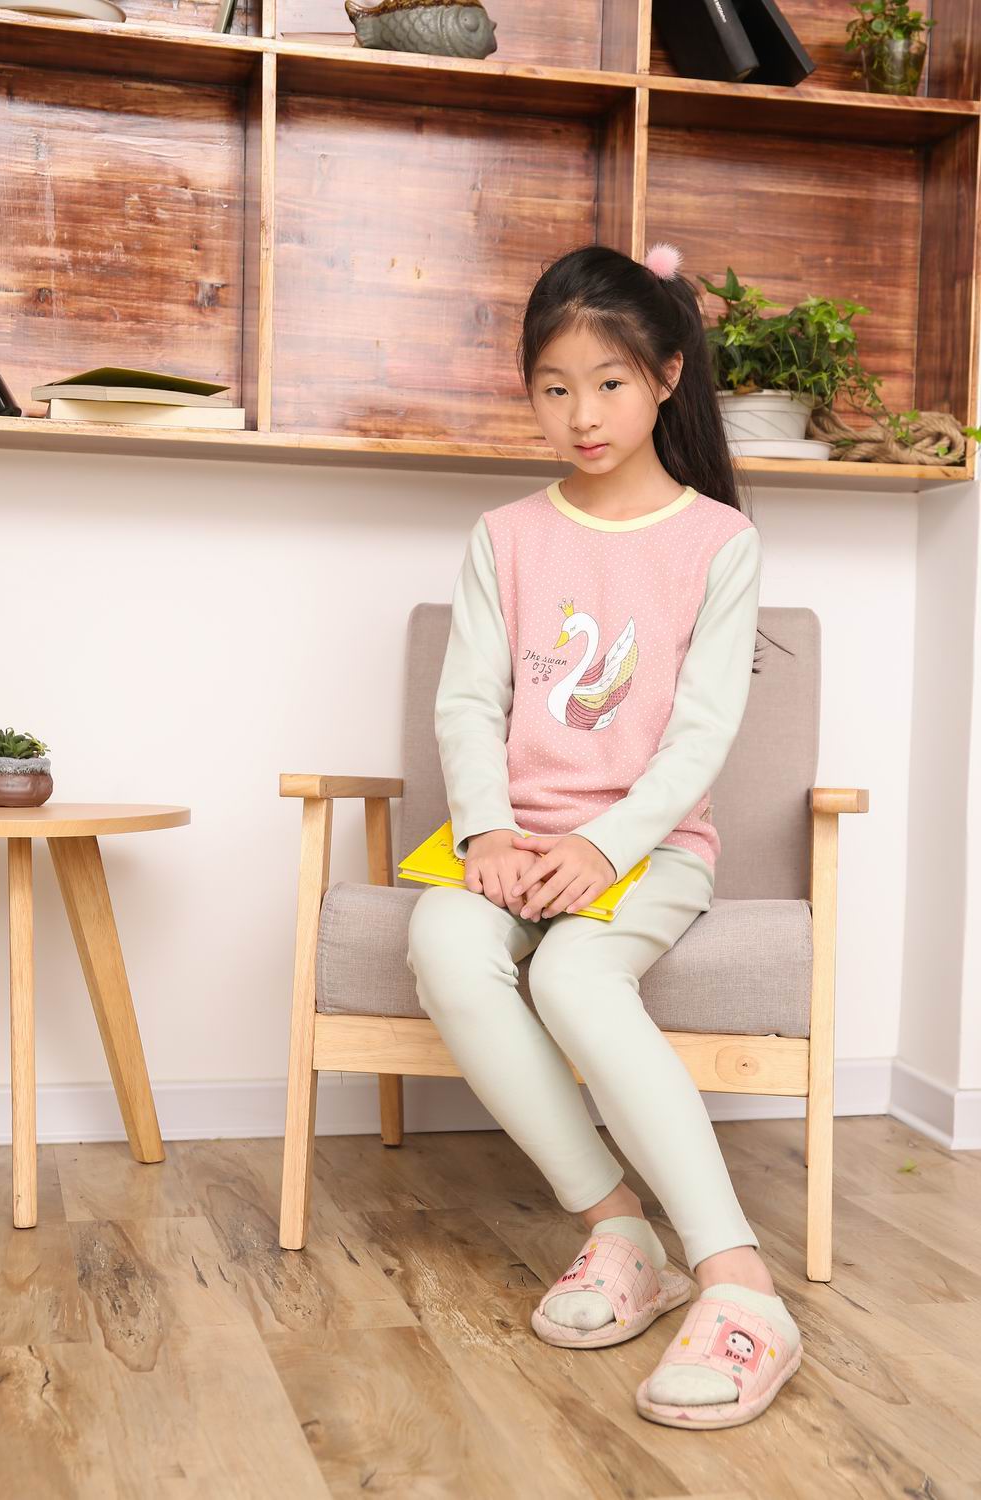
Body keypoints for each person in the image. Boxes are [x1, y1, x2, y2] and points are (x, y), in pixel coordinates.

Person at [405, 241, 803, 1430]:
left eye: (609, 382)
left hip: (650, 846)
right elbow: (466, 704)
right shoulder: (505, 535)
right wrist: (486, 832)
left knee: (575, 976)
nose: (581, 414)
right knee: (442, 944)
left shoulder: (716, 542)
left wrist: (605, 847)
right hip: (510, 840)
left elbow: (700, 733)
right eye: (554, 386)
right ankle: (619, 1232)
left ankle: (739, 1283)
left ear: (667, 376)